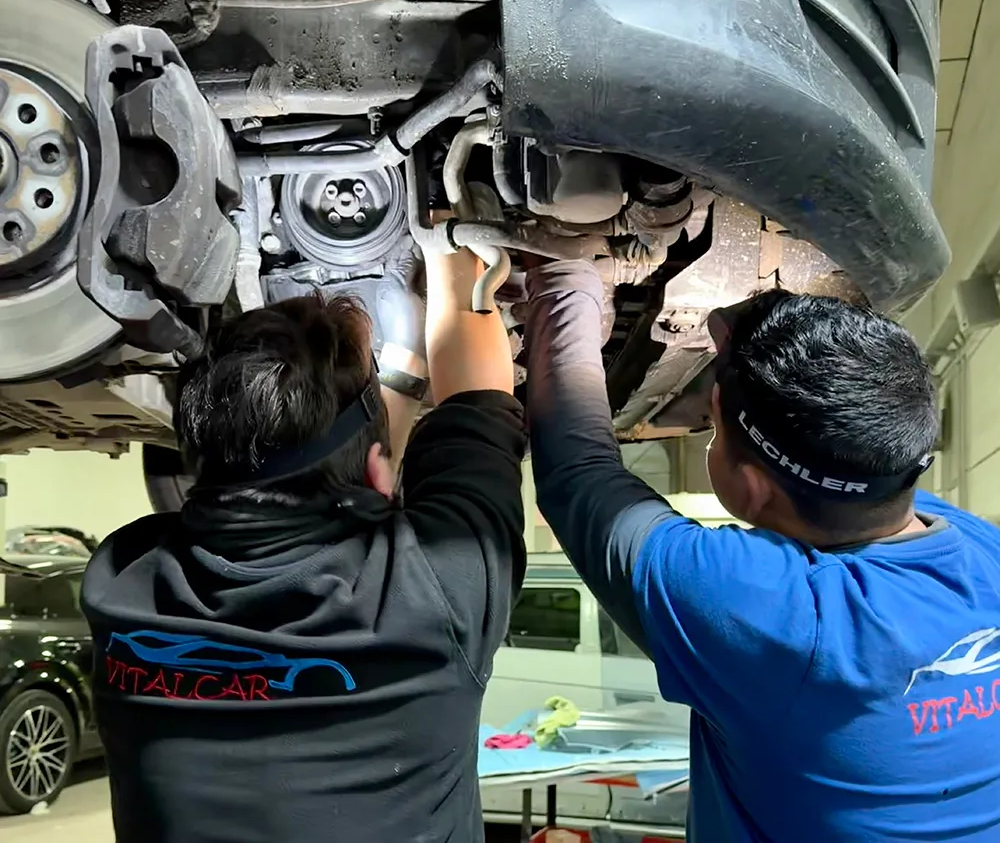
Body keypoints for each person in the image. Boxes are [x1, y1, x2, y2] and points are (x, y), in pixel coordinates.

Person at [522, 259, 1000, 842]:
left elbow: (577, 472)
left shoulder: (784, 616)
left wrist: (567, 279)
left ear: (751, 488)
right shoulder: (980, 548)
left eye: (715, 426)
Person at [81, 235, 526, 843]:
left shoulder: (121, 582)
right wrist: (441, 252)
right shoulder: (122, 584)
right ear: (376, 474)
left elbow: (478, 394)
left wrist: (451, 253)